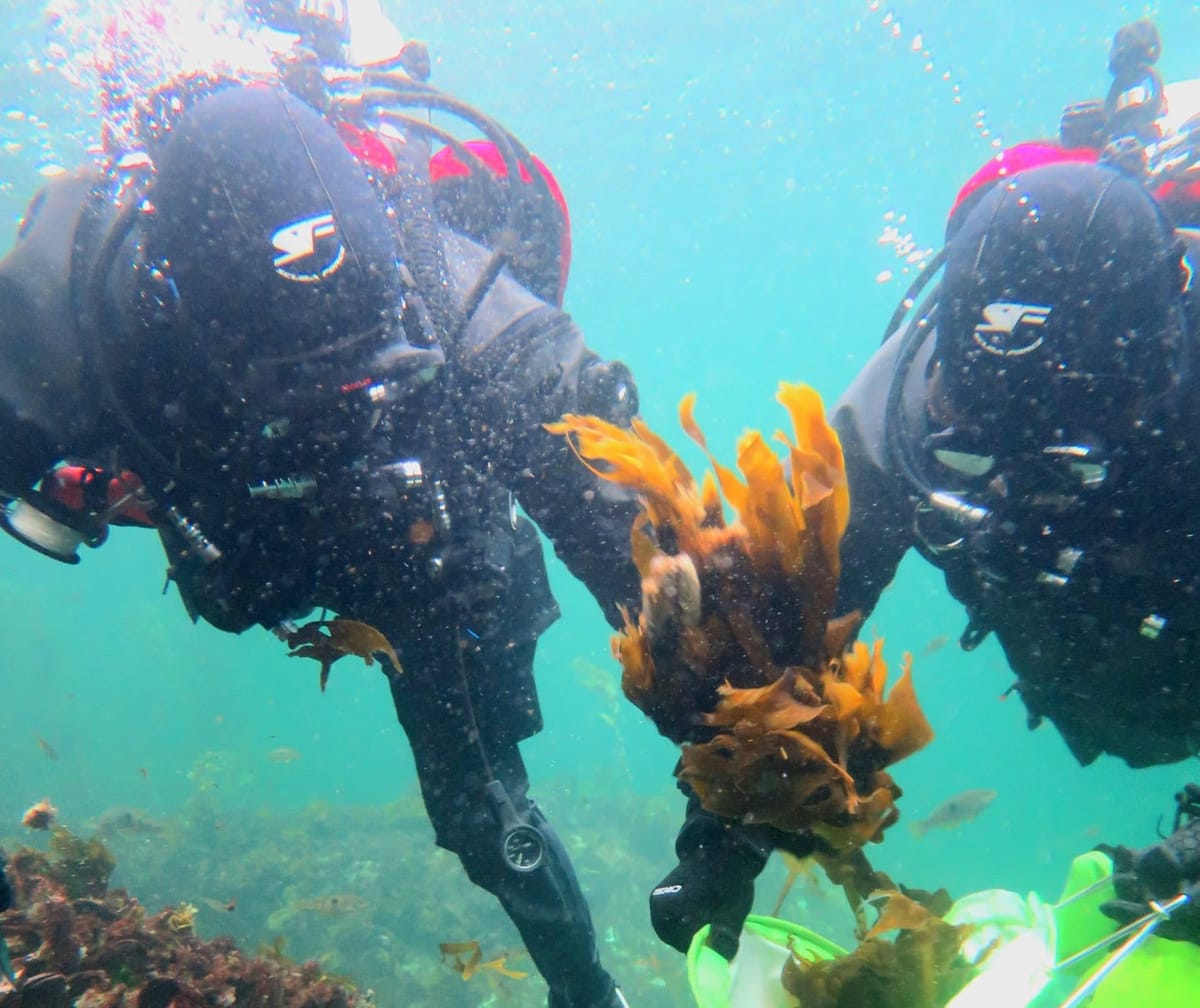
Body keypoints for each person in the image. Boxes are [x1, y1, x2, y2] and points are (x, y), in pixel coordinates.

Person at [0, 3, 638, 1006]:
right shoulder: (87, 278)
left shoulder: (420, 250)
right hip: (299, 541)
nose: (330, 397)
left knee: (479, 809)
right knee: (479, 804)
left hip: (419, 552)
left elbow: (597, 472)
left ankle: (591, 996)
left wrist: (709, 702)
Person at [648, 19, 1200, 967]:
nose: (1031, 489)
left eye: (1068, 463)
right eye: (982, 454)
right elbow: (791, 631)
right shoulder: (900, 414)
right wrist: (725, 831)